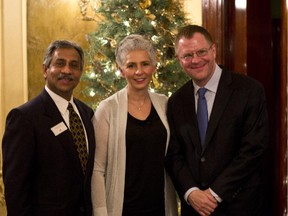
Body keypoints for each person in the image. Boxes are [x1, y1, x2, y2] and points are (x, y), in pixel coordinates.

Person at [165, 25, 269, 216]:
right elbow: (174, 154)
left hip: (240, 205)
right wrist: (191, 192)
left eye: (201, 52)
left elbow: (253, 149)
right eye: (187, 55)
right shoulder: (175, 102)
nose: (195, 60)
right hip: (195, 208)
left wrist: (214, 194)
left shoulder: (249, 91)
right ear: (179, 60)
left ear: (213, 50)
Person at [2, 40, 96, 216]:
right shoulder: (24, 118)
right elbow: (16, 190)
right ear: (45, 70)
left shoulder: (87, 113)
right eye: (60, 63)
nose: (67, 71)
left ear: (80, 73)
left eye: (74, 65)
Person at [91, 34, 178, 216]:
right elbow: (97, 170)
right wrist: (100, 212)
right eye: (131, 65)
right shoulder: (107, 109)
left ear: (153, 67)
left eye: (145, 64)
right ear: (122, 70)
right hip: (122, 210)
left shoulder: (165, 104)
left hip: (160, 208)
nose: (139, 71)